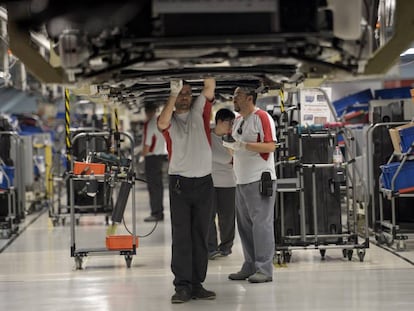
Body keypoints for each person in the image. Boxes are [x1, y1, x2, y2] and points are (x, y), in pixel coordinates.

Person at [158, 78, 216, 303]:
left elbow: (209, 87)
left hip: (204, 183)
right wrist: (172, 95)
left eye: (187, 93)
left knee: (201, 235)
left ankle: (197, 283)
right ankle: (182, 286)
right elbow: (162, 123)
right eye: (180, 93)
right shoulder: (169, 119)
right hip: (180, 185)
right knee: (182, 236)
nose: (184, 96)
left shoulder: (199, 112)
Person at [223, 86, 277, 283]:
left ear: (249, 98)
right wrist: (230, 147)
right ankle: (250, 264)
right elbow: (236, 150)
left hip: (259, 180)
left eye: (237, 96)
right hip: (241, 180)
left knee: (261, 225)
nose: (234, 99)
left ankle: (264, 268)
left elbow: (270, 146)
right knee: (245, 226)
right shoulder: (238, 121)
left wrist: (243, 146)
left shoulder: (261, 117)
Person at [208, 108, 236, 260]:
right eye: (228, 123)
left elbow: (233, 159)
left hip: (228, 183)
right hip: (209, 182)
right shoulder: (206, 135)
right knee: (208, 216)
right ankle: (211, 247)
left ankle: (226, 246)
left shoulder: (231, 138)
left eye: (233, 124)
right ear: (218, 121)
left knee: (227, 218)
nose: (230, 127)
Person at [141, 103, 168, 222]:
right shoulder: (160, 121)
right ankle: (159, 212)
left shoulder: (150, 124)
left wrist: (142, 157)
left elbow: (147, 144)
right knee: (158, 186)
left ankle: (156, 213)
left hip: (152, 158)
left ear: (147, 112)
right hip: (160, 156)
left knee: (153, 187)